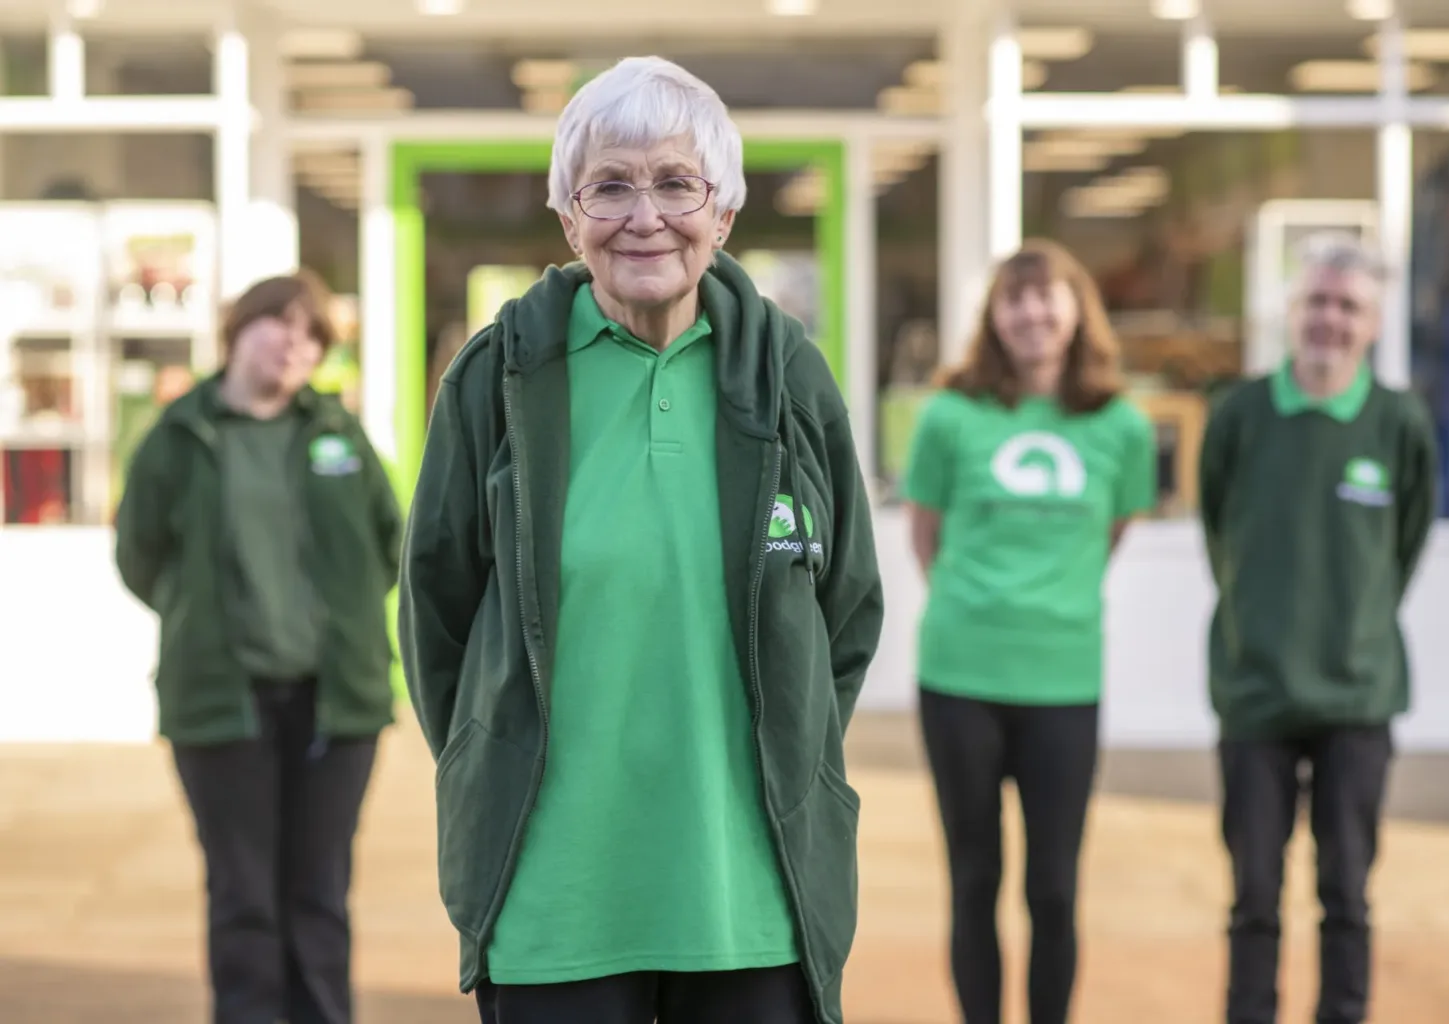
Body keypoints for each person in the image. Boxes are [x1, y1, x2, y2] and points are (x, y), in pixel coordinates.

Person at [398, 56, 884, 1024]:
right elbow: (437, 609)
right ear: (569, 218)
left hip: (750, 894)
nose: (644, 214)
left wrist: (791, 751)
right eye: (609, 185)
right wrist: (486, 755)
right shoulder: (498, 376)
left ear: (725, 213)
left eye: (675, 183)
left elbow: (846, 606)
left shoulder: (790, 376)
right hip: (554, 895)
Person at [114, 271, 402, 1024]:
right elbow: (139, 556)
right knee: (243, 895)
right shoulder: (178, 436)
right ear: (238, 330)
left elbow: (390, 543)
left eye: (313, 336)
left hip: (336, 702)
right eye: (279, 324)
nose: (293, 344)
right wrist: (201, 618)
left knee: (318, 892)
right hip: (221, 701)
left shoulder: (338, 435)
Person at [904, 240, 1157, 1024]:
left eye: (1047, 297)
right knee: (974, 878)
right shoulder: (948, 415)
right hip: (960, 677)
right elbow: (926, 537)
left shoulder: (1121, 426)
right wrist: (987, 604)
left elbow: (1111, 532)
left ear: (1078, 311)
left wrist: (1050, 600)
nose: (1032, 314)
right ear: (994, 317)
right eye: (1015, 300)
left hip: (1064, 681)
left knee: (1053, 885)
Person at [1197, 233, 1438, 1024]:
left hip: (1358, 696)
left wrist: (1351, 621)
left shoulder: (1399, 423)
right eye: (1317, 303)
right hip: (1254, 691)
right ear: (1290, 313)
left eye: (1348, 306)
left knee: (1346, 895)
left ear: (1372, 325)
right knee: (1255, 898)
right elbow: (1219, 531)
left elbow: (1404, 544)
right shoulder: (1239, 415)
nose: (1329, 319)